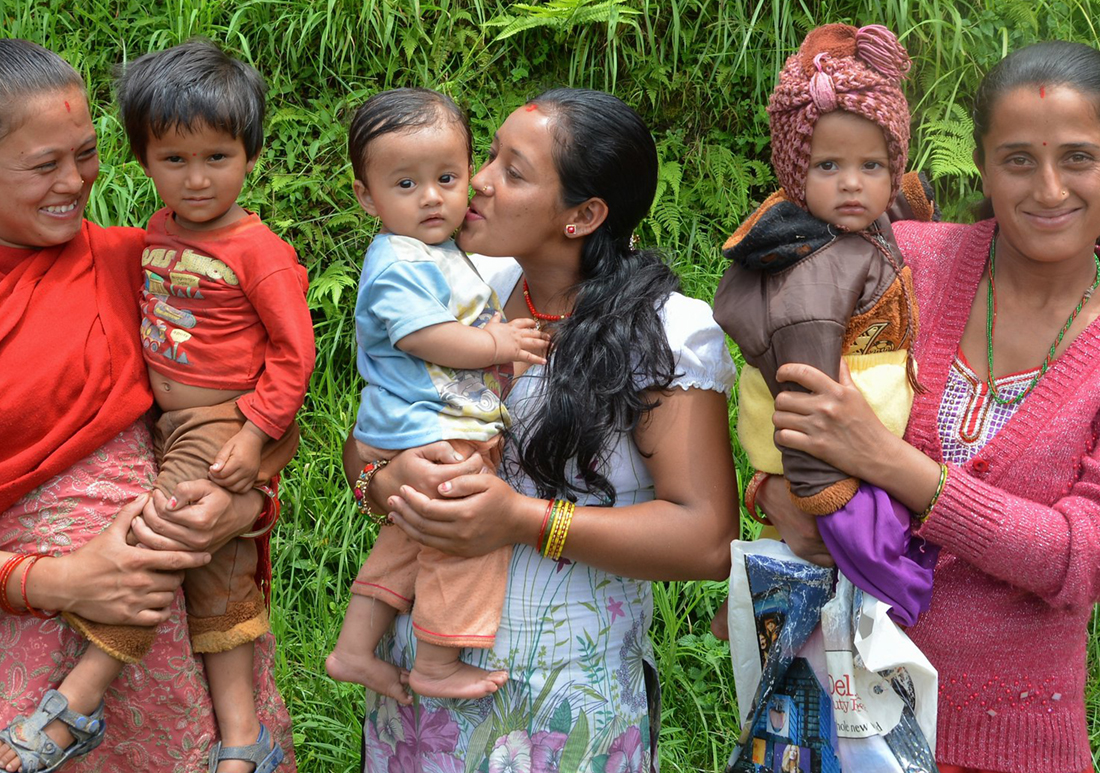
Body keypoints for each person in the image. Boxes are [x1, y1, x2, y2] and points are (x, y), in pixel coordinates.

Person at [349, 88, 740, 770]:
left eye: (513, 170)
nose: (478, 180)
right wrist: (385, 478)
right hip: (419, 682)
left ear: (584, 215)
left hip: (570, 697)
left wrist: (525, 519)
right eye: (491, 154)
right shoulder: (456, 288)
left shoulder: (665, 334)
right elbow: (373, 427)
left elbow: (706, 537)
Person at [760, 40, 1100, 773]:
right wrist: (776, 491)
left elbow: (1081, 558)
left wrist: (891, 464)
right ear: (982, 164)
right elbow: (786, 385)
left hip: (1010, 749)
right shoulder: (903, 259)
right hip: (839, 719)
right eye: (1018, 159)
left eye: (1078, 157)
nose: (1048, 188)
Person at [0, 39, 296, 773]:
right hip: (32, 645)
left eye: (87, 154)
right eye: (45, 165)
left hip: (180, 640)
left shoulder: (142, 263)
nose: (75, 182)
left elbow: (254, 401)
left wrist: (240, 503)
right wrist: (52, 580)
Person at [324, 88, 547, 702]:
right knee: (461, 541)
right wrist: (497, 343)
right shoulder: (399, 259)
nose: (431, 197)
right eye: (405, 185)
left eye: (447, 177)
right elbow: (424, 337)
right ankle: (439, 662)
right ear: (366, 196)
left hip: (419, 429)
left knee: (407, 540)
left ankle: (352, 649)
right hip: (433, 429)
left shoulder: (439, 251)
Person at [713, 22, 936, 626]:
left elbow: (887, 205)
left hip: (850, 457)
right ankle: (904, 596)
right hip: (821, 466)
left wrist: (909, 199)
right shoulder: (818, 268)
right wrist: (823, 501)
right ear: (794, 174)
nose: (851, 185)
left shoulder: (853, 233)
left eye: (872, 165)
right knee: (879, 566)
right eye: (828, 166)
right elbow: (807, 392)